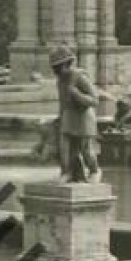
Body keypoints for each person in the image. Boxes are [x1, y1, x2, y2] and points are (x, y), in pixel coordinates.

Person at [50, 45, 101, 184]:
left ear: (68, 63)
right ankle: (66, 172)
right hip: (68, 116)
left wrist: (76, 94)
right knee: (64, 147)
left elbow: (94, 100)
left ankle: (94, 170)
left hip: (83, 116)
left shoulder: (79, 76)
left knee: (86, 149)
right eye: (56, 68)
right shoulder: (61, 80)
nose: (59, 70)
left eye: (61, 66)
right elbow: (62, 101)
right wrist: (60, 118)